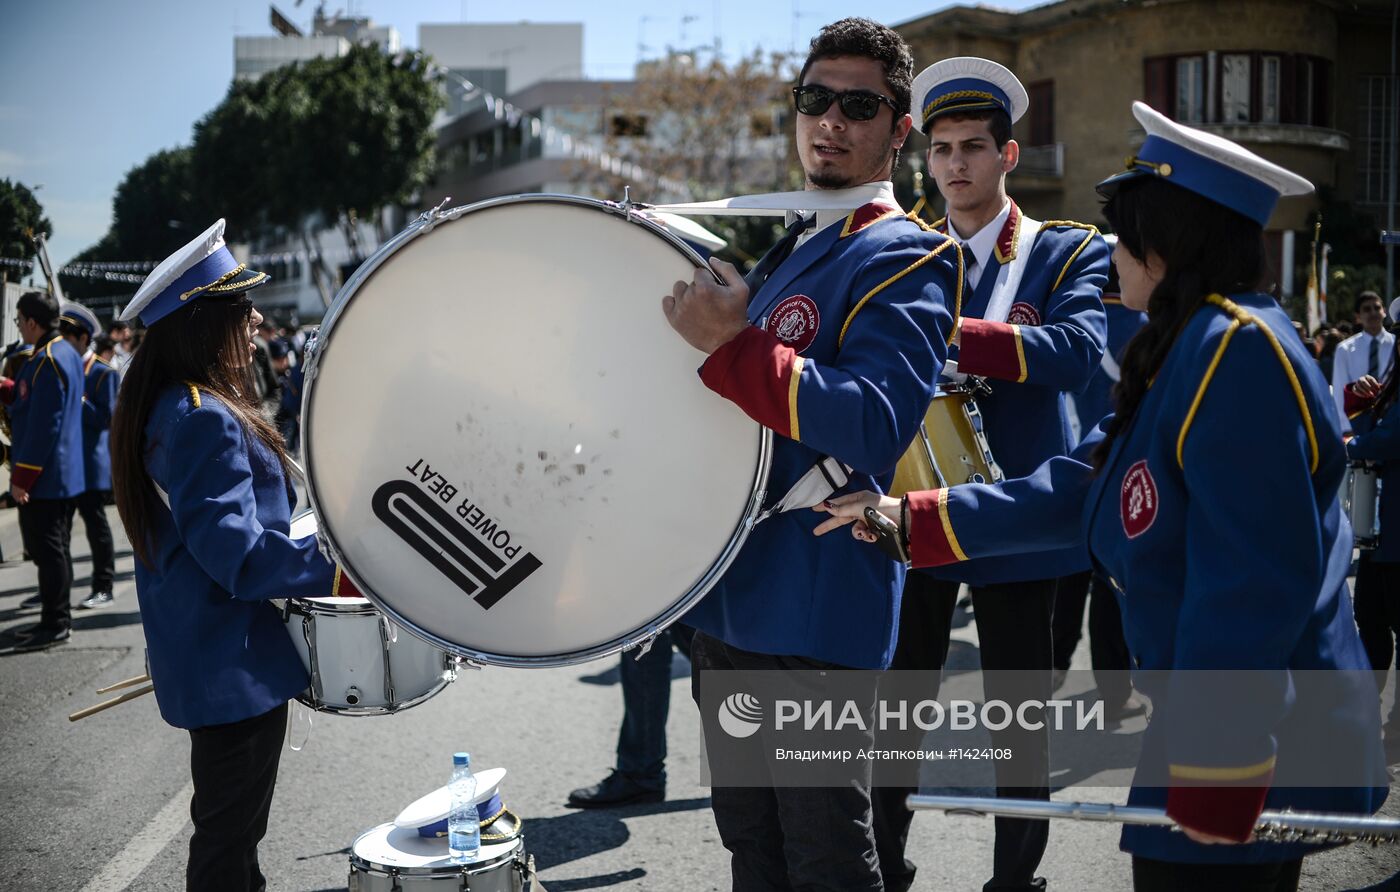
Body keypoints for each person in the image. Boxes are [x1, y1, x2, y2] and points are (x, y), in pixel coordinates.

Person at [817, 100, 1388, 891]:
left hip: (1249, 741)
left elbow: (1255, 583)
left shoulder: (1240, 352)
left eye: (1126, 237)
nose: (1112, 254)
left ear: (1169, 242)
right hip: (1211, 722)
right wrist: (912, 517)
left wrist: (1219, 765)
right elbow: (1082, 484)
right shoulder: (1192, 342)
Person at [662, 17, 959, 890]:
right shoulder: (800, 246)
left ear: (899, 131)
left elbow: (875, 424)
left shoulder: (906, 255)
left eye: (858, 105)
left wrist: (735, 347)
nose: (830, 121)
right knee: (753, 850)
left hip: (818, 608)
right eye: (814, 99)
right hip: (738, 600)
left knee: (827, 858)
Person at [873, 56, 1109, 892]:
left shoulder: (1067, 251)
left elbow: (1080, 354)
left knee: (1019, 726)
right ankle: (885, 869)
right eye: (940, 149)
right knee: (897, 711)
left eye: (973, 147)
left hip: (1018, 514)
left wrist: (950, 334)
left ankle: (1016, 882)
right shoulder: (903, 251)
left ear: (1009, 157)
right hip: (919, 500)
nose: (954, 165)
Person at [109, 220, 345, 892]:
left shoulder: (171, 406)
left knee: (234, 842)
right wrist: (339, 572)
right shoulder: (201, 417)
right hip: (229, 662)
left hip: (207, 653)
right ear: (202, 324)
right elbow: (237, 556)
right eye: (243, 309)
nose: (257, 320)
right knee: (227, 845)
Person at [1053, 244, 1145, 717]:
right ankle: (1115, 692)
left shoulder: (1076, 325)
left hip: (1067, 467)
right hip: (1121, 474)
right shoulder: (1147, 330)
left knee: (1065, 580)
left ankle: (1048, 673)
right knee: (1111, 589)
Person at [4, 289, 86, 649]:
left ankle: (55, 623)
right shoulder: (61, 352)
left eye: (19, 320)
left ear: (32, 322)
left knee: (49, 552)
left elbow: (43, 427)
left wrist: (21, 479)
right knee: (56, 550)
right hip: (59, 471)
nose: (18, 326)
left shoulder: (48, 358)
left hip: (45, 475)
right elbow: (32, 400)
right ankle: (55, 619)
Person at [1340, 327, 1400, 741]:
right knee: (1371, 621)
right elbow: (1374, 427)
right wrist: (1362, 398)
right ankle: (1367, 715)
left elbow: (1387, 439)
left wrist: (1344, 444)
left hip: (1395, 531)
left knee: (1387, 623)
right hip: (1383, 531)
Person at [58, 302, 120, 610]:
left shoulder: (103, 372)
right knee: (60, 530)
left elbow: (107, 418)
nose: (62, 342)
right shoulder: (61, 367)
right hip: (67, 463)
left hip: (92, 465)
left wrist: (78, 399)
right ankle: (57, 588)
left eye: (67, 336)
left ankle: (103, 586)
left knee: (97, 528)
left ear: (83, 339)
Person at [1332, 291, 1393, 434]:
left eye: (1377, 308)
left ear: (1384, 311)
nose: (1373, 312)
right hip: (1358, 427)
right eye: (1367, 309)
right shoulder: (1344, 349)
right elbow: (1339, 393)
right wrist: (1346, 429)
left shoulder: (1396, 344)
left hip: (1393, 427)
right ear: (1357, 317)